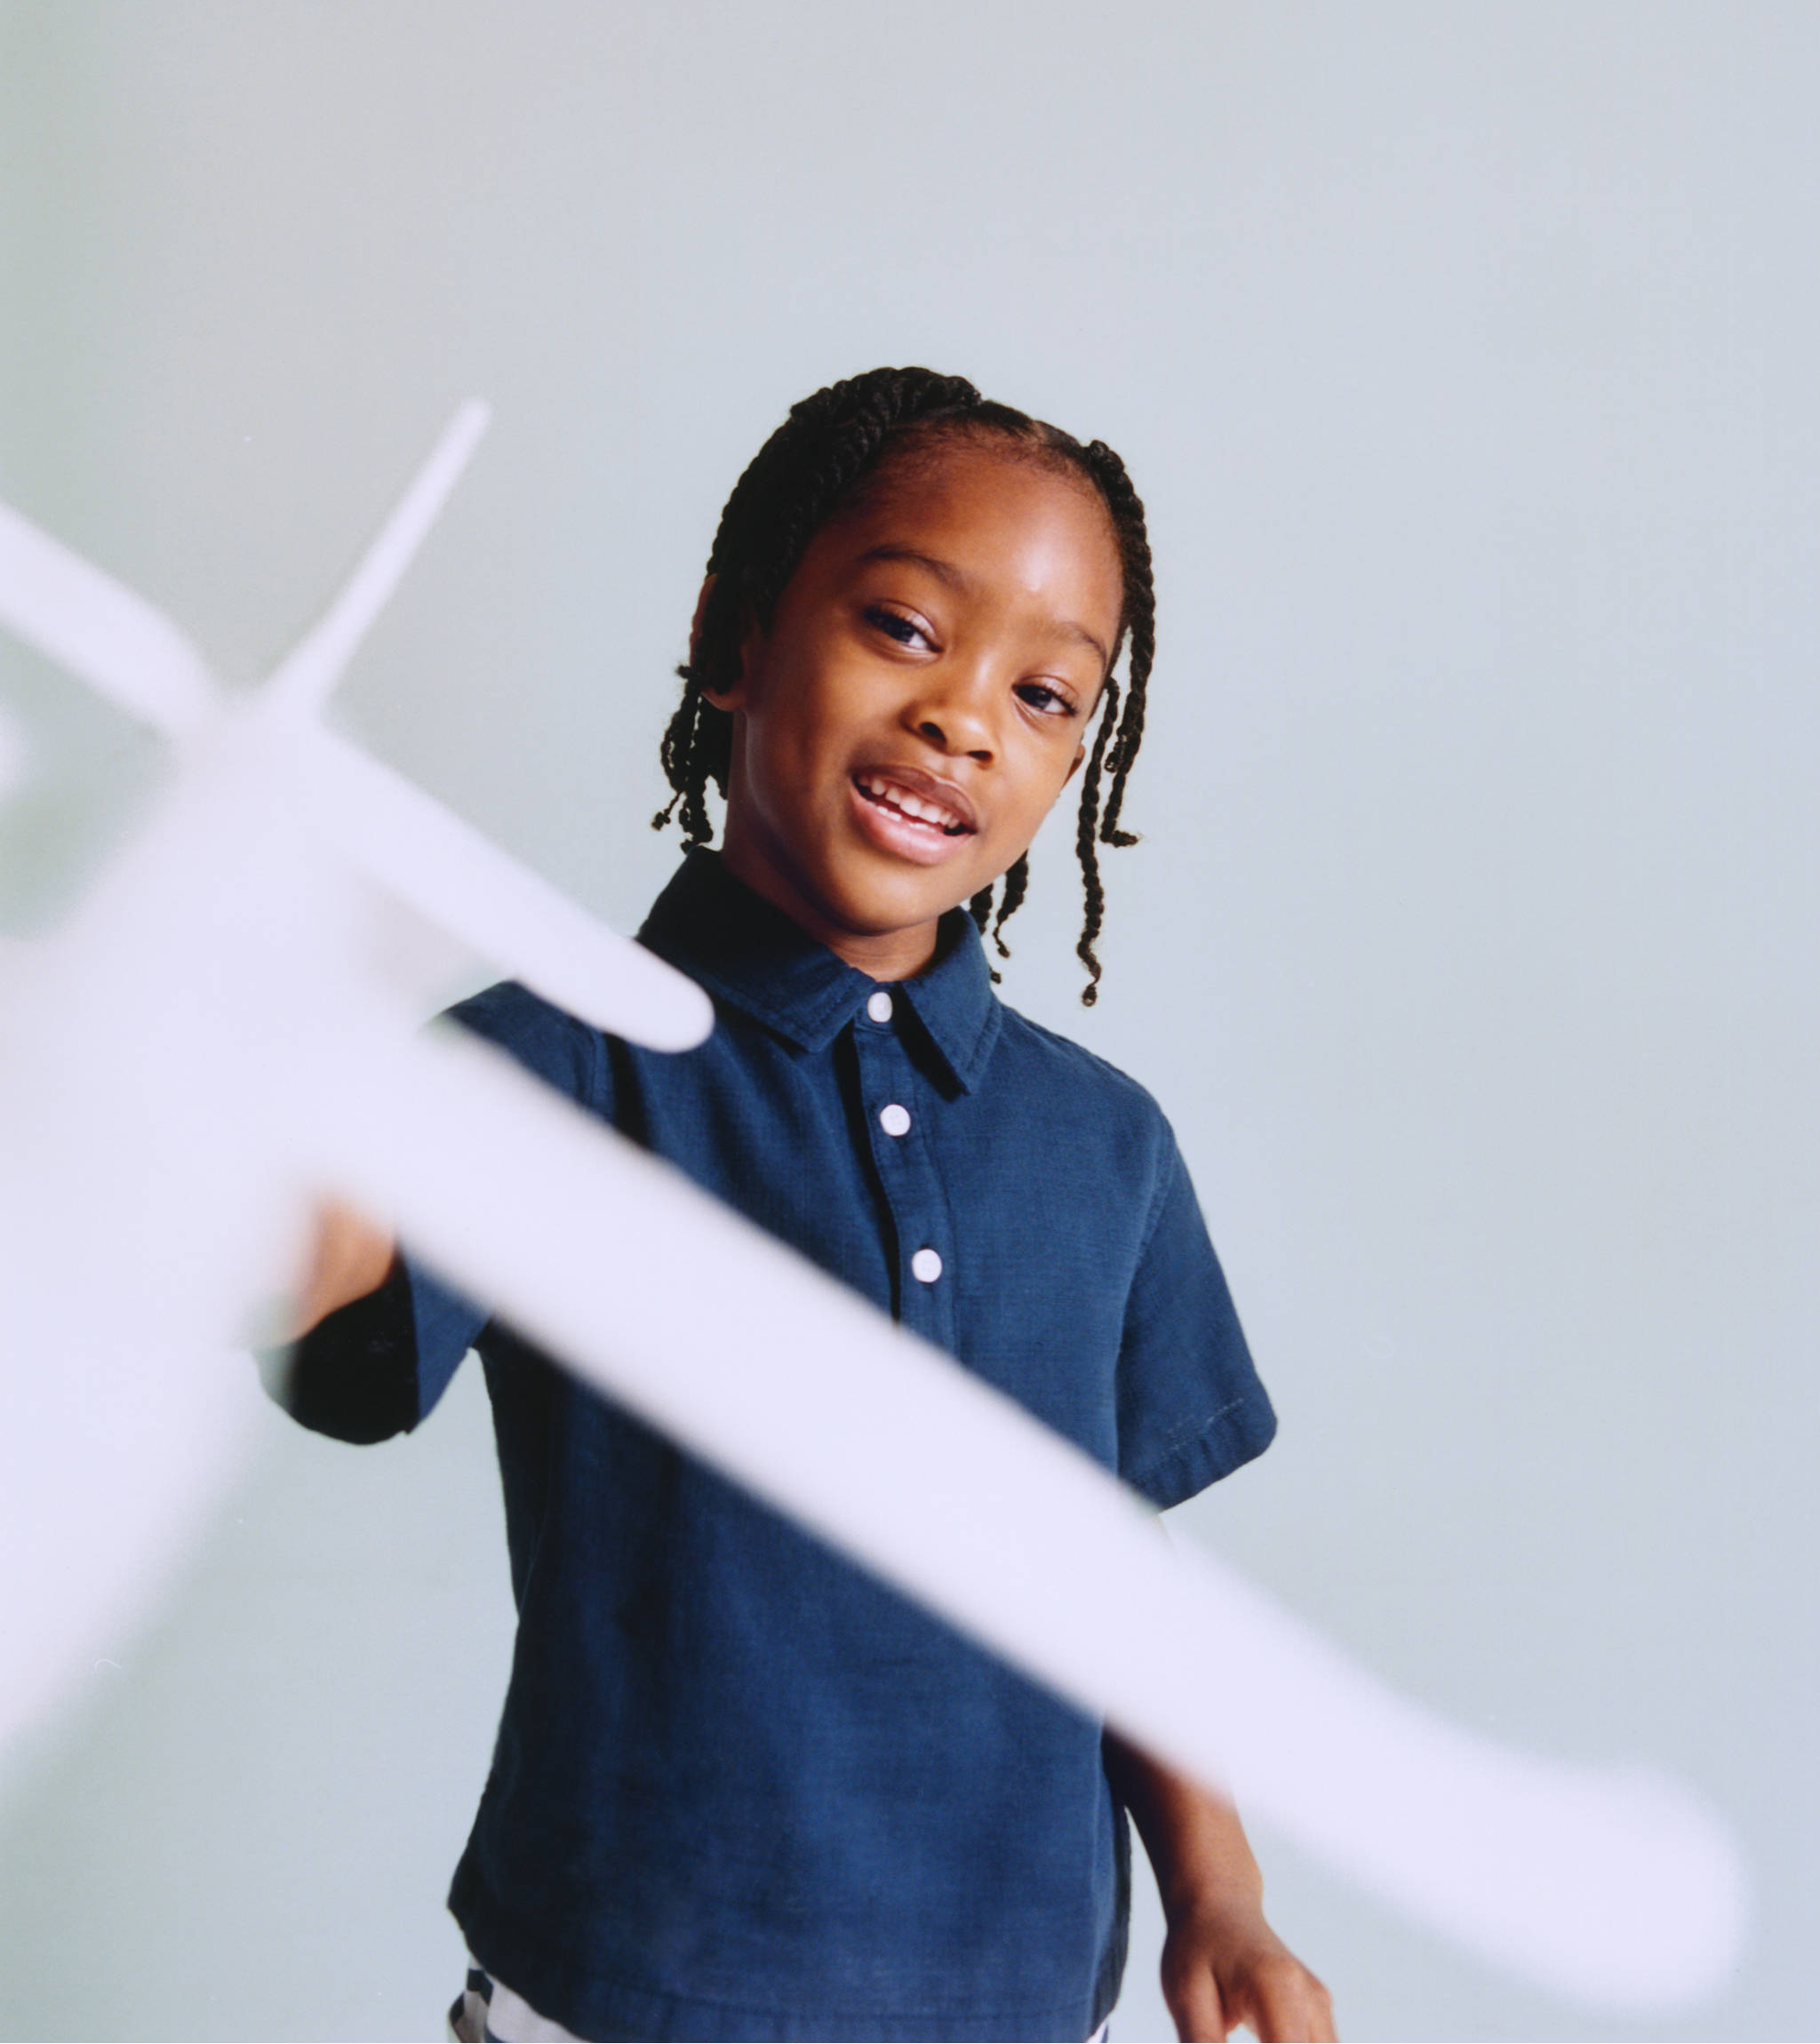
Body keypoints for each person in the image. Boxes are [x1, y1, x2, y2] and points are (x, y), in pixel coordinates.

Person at [275, 368, 1337, 2044]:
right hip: (619, 2002)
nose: (967, 716)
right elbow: (310, 1264)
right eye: (908, 627)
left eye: (1051, 694)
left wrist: (1221, 1894)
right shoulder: (544, 1069)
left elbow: (1119, 1580)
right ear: (735, 634)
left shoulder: (1105, 1146)